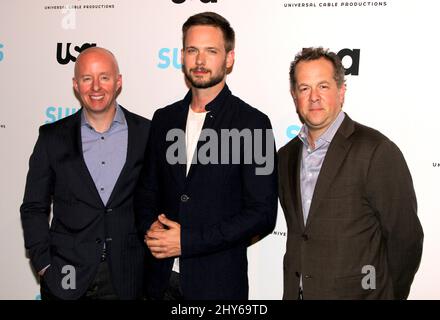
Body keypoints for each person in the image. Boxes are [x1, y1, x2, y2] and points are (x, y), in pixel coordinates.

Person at [134, 12, 278, 300]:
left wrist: (187, 242)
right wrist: (151, 228)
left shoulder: (254, 124)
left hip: (217, 286)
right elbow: (146, 191)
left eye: (211, 51)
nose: (200, 61)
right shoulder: (164, 119)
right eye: (192, 50)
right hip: (159, 282)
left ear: (229, 58)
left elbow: (262, 214)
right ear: (182, 56)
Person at [278, 47, 423, 300]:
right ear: (294, 95)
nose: (314, 97)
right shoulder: (286, 156)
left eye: (323, 86)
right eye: (304, 88)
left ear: (341, 91)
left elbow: (406, 238)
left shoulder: (376, 151)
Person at [20, 47, 151, 300]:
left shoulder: (146, 133)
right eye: (87, 78)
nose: (96, 87)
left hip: (127, 279)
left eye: (104, 77)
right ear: (75, 85)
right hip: (65, 276)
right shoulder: (52, 138)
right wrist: (44, 264)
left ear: (118, 82)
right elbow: (33, 207)